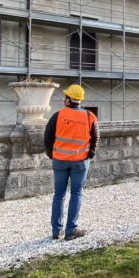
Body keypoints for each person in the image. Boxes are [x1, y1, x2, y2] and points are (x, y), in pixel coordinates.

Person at [43, 84, 97, 240]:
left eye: (65, 97)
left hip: (60, 160)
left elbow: (48, 137)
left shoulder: (58, 115)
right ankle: (71, 230)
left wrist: (51, 153)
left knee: (58, 195)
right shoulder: (89, 116)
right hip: (80, 162)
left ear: (68, 100)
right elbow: (95, 137)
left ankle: (56, 231)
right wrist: (90, 153)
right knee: (76, 193)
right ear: (79, 100)